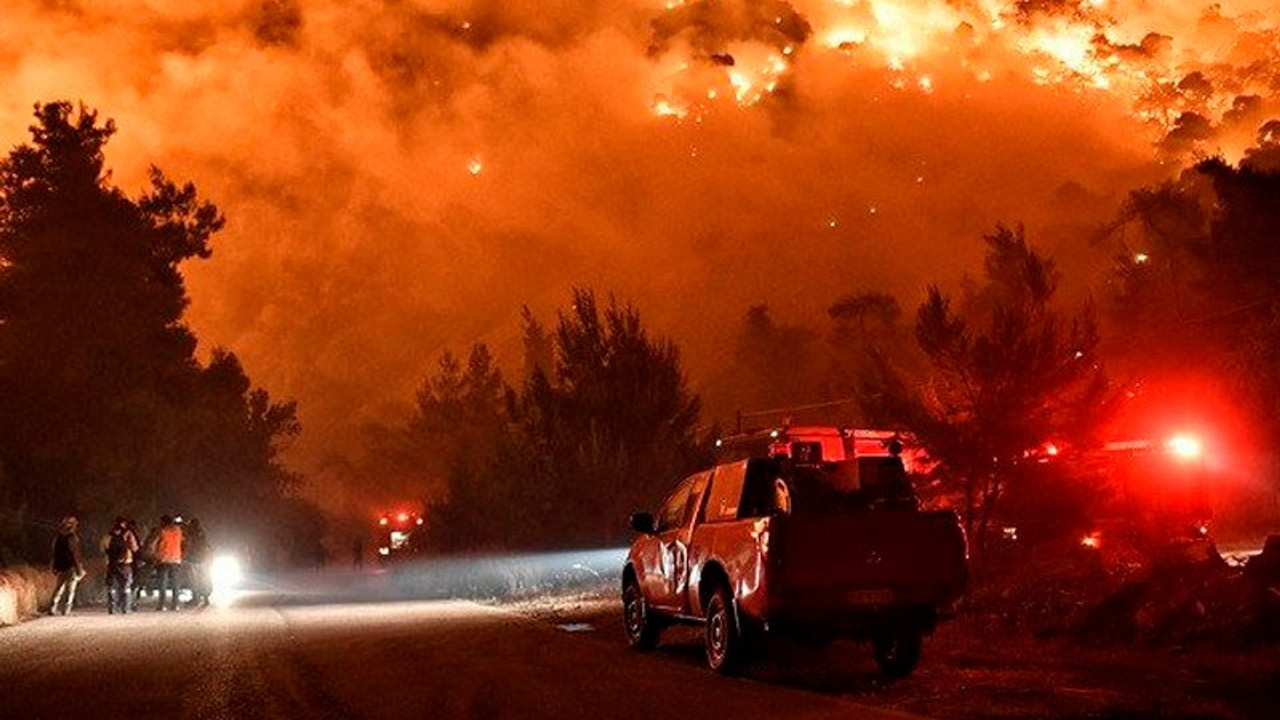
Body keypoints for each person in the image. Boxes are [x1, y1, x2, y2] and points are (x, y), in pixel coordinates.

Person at [101, 516, 140, 614]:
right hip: (125, 564)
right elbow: (135, 548)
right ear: (124, 524)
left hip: (111, 564)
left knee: (111, 586)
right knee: (126, 586)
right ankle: (125, 608)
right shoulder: (128, 534)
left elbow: (102, 549)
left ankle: (112, 608)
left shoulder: (107, 535)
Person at [49, 516, 85, 616]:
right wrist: (79, 568)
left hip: (60, 566)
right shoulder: (72, 537)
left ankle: (52, 606)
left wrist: (54, 566)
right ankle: (66, 609)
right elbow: (75, 554)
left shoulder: (58, 538)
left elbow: (54, 553)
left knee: (59, 588)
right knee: (70, 589)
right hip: (71, 567)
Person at [150, 515, 184, 611]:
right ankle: (175, 605)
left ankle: (161, 605)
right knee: (175, 583)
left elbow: (153, 544)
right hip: (176, 559)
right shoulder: (178, 531)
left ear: (163, 522)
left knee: (162, 584)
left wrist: (154, 555)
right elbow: (183, 542)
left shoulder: (161, 531)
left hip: (163, 560)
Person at [182, 518, 211, 608]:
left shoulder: (191, 534)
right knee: (204, 578)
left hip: (194, 559)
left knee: (194, 580)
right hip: (203, 558)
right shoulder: (202, 533)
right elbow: (207, 545)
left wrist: (184, 557)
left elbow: (188, 545)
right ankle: (206, 598)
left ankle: (195, 598)